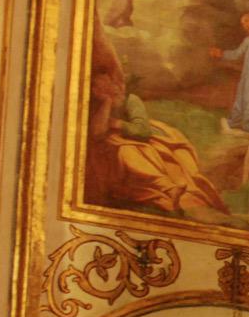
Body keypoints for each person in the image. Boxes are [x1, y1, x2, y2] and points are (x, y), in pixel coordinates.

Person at [85, 69, 228, 215]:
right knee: (125, 151)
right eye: (101, 86)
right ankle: (167, 189)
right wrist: (107, 103)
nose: (111, 88)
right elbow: (97, 133)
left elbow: (141, 131)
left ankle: (169, 189)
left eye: (110, 83)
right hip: (109, 150)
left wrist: (117, 124)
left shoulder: (130, 100)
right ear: (95, 90)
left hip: (141, 142)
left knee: (131, 151)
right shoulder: (94, 105)